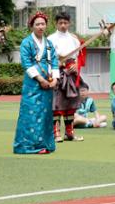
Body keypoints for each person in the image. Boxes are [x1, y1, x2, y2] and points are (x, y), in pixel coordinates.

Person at [13, 12, 59, 155]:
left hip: (48, 82)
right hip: (33, 83)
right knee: (31, 112)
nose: (40, 27)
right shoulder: (26, 43)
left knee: (45, 113)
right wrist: (40, 79)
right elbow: (27, 64)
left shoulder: (49, 43)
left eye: (43, 24)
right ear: (32, 26)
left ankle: (45, 143)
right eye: (37, 24)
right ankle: (29, 145)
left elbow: (55, 62)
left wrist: (55, 79)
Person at [49, 12, 84, 144]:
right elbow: (48, 58)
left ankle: (69, 132)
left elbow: (79, 57)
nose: (63, 25)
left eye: (65, 23)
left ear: (70, 23)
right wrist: (56, 64)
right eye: (60, 23)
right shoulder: (50, 39)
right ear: (56, 24)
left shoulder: (74, 39)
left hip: (72, 75)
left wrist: (76, 65)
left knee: (71, 102)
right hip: (58, 73)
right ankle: (55, 132)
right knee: (57, 103)